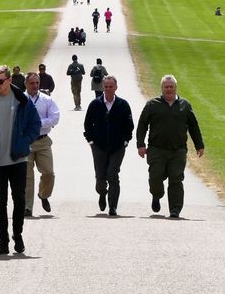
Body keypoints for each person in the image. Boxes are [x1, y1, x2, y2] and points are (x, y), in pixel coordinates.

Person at [0, 65, 41, 255]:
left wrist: (25, 142)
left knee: (19, 199)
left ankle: (17, 235)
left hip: (18, 158)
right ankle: (3, 241)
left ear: (10, 80)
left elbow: (35, 125)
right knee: (0, 202)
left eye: (0, 81)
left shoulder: (22, 100)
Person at [136, 75, 205, 218]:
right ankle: (157, 195)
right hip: (156, 149)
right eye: (166, 87)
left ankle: (175, 209)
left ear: (175, 88)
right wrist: (140, 144)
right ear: (161, 88)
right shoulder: (152, 104)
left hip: (177, 150)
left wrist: (199, 145)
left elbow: (193, 126)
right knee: (155, 177)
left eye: (171, 87)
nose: (169, 89)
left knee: (176, 179)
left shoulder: (185, 105)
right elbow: (142, 124)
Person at [83, 76, 133, 217]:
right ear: (103, 88)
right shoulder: (95, 104)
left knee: (112, 174)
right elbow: (87, 124)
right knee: (100, 177)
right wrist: (91, 141)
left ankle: (113, 206)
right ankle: (102, 193)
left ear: (116, 87)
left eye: (111, 86)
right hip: (99, 147)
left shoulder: (123, 104)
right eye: (106, 87)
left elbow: (129, 125)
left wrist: (126, 140)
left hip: (118, 147)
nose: (109, 89)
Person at [23, 72, 61, 217]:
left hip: (43, 140)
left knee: (48, 173)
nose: (35, 86)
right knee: (27, 176)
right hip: (26, 142)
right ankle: (27, 207)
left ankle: (43, 195)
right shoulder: (20, 99)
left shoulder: (46, 100)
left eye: (37, 83)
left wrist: (38, 124)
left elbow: (55, 117)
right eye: (32, 83)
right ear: (26, 84)